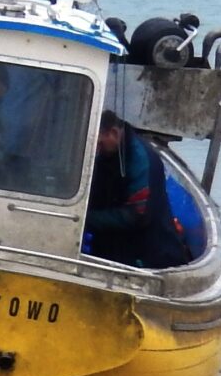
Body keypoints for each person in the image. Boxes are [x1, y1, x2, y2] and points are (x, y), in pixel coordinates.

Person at [83, 109, 197, 269]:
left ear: (114, 133)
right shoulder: (109, 155)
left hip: (149, 256)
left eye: (100, 143)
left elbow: (137, 215)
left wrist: (85, 218)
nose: (97, 149)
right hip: (114, 248)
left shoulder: (139, 159)